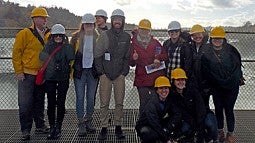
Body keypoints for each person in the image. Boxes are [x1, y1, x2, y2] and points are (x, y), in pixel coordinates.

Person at [12, 7, 50, 141]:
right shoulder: (24, 34)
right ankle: (25, 130)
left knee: (39, 102)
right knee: (25, 103)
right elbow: (16, 53)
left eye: (46, 18)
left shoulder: (48, 34)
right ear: (34, 19)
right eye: (42, 17)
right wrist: (19, 72)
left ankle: (40, 125)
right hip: (27, 74)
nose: (45, 20)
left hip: (41, 74)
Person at [201, 26, 245, 143]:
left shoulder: (231, 51)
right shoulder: (207, 52)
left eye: (219, 38)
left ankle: (230, 134)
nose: (217, 40)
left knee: (229, 109)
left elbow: (237, 70)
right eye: (215, 38)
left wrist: (226, 82)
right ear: (211, 39)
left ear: (224, 39)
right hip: (216, 87)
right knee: (218, 109)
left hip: (231, 87)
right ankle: (220, 131)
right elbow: (206, 71)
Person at [94, 8, 131, 140]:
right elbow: (97, 55)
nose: (117, 22)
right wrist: (101, 73)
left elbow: (127, 57)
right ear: (112, 20)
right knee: (104, 102)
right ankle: (104, 127)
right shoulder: (105, 35)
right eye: (115, 19)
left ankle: (118, 127)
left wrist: (124, 73)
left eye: (120, 20)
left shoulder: (126, 37)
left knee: (119, 102)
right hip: (105, 75)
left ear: (123, 21)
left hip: (120, 75)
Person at [39, 24, 75, 139]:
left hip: (63, 78)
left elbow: (71, 57)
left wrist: (65, 46)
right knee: (50, 103)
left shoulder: (67, 47)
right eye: (56, 35)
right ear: (52, 36)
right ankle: (52, 126)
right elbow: (41, 57)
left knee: (60, 103)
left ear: (63, 36)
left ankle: (58, 127)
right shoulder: (48, 46)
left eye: (60, 35)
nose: (58, 37)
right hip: (50, 78)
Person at [129, 19, 168, 114]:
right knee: (144, 103)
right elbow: (131, 64)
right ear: (138, 30)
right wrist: (133, 58)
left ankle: (155, 124)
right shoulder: (133, 44)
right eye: (142, 29)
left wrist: (158, 58)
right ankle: (142, 125)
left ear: (149, 31)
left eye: (147, 30)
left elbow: (165, 55)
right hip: (142, 79)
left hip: (155, 78)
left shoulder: (155, 42)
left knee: (156, 103)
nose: (144, 32)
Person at [70, 13, 99, 137]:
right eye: (86, 24)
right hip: (80, 71)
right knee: (80, 97)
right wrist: (71, 69)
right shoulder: (76, 37)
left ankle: (89, 120)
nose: (88, 26)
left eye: (90, 24)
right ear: (83, 24)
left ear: (94, 25)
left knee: (91, 98)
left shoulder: (98, 37)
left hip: (93, 72)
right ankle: (81, 122)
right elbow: (70, 54)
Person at [190, 24, 218, 143]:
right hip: (192, 84)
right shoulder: (190, 47)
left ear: (203, 34)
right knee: (194, 108)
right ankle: (199, 132)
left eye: (199, 34)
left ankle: (208, 134)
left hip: (204, 86)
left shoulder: (208, 48)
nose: (197, 37)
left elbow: (212, 68)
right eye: (194, 35)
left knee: (203, 109)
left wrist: (208, 86)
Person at [135, 76, 181, 143]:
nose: (164, 91)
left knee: (179, 122)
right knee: (151, 134)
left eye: (166, 88)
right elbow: (155, 123)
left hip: (158, 122)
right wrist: (167, 139)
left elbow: (177, 113)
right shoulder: (151, 103)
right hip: (146, 125)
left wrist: (168, 128)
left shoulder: (169, 99)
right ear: (156, 90)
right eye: (161, 88)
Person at [170, 68, 206, 143]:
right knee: (185, 128)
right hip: (187, 119)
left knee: (210, 124)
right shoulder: (172, 95)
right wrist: (194, 124)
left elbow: (201, 108)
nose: (180, 82)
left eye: (182, 80)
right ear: (173, 81)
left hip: (198, 117)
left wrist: (199, 125)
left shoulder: (192, 90)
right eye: (178, 80)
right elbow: (180, 112)